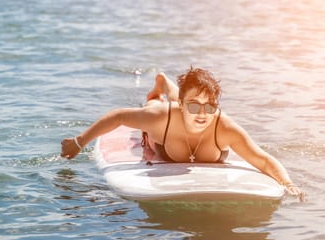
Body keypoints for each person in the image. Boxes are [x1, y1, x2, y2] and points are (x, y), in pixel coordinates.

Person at [61, 67, 304, 200]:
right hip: (167, 115)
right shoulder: (163, 118)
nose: (202, 113)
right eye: (195, 105)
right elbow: (119, 117)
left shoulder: (224, 127)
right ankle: (162, 85)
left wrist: (288, 183)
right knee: (153, 105)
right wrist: (79, 142)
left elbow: (262, 159)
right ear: (181, 105)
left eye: (210, 106)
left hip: (179, 106)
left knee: (193, 104)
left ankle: (171, 86)